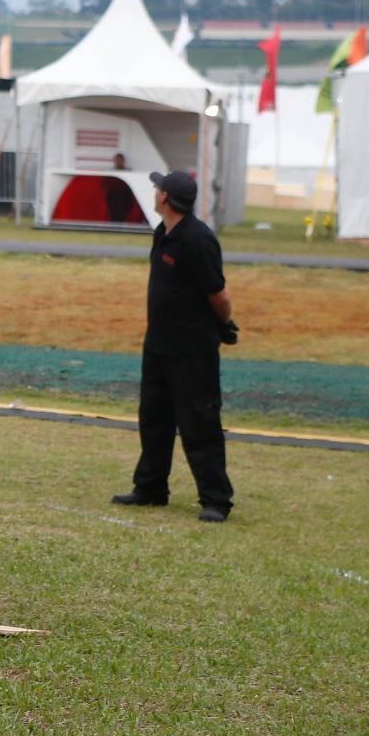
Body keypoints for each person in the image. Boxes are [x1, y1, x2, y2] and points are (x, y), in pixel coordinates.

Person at [112, 170, 236, 523]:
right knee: (154, 419)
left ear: (165, 197)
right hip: (159, 346)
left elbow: (219, 294)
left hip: (192, 350)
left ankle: (216, 500)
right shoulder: (162, 233)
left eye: (157, 188)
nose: (155, 192)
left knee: (200, 423)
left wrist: (224, 325)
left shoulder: (198, 239)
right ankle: (151, 488)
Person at [105, 153, 140, 224]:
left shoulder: (129, 172)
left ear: (123, 161)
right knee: (113, 213)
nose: (118, 162)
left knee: (124, 214)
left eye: (120, 160)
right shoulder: (110, 172)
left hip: (125, 197)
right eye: (117, 160)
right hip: (113, 197)